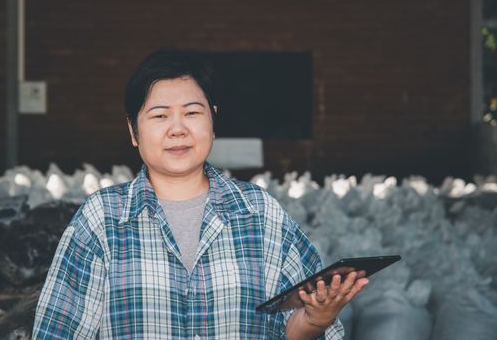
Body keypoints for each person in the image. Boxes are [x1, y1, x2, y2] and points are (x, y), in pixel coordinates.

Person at [32, 48, 369, 339]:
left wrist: (315, 319)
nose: (178, 128)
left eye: (192, 112)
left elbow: (288, 329)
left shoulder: (260, 213)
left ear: (212, 120)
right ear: (134, 131)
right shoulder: (102, 220)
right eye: (160, 115)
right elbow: (58, 331)